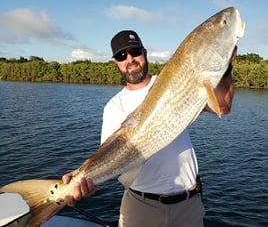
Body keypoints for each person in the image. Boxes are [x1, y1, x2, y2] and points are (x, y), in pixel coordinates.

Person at [62, 30, 236, 226]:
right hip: (140, 207)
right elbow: (108, 158)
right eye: (121, 56)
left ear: (144, 52)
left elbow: (223, 106)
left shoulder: (177, 81)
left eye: (135, 51)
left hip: (189, 205)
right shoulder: (114, 106)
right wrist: (82, 177)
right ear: (116, 63)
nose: (130, 59)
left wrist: (226, 66)